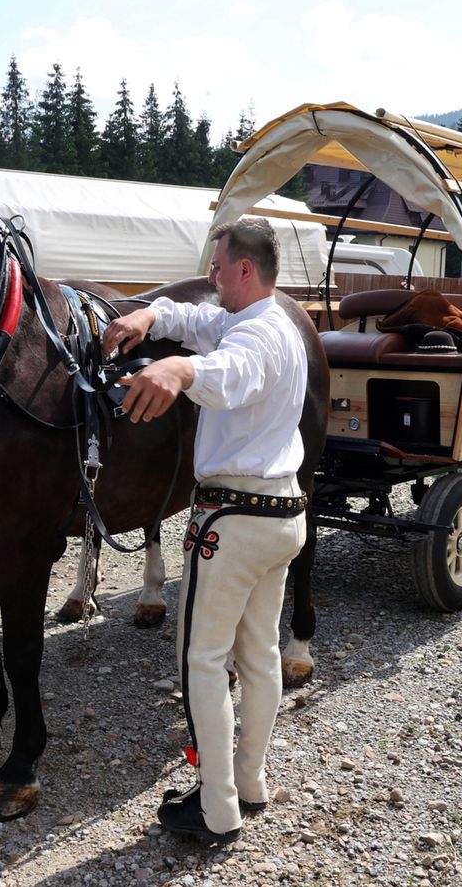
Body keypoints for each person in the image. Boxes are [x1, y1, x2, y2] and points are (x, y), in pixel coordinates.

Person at [101, 217, 308, 844]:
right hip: (281, 515)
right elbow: (196, 321)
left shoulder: (257, 340)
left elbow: (231, 373)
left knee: (203, 662)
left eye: (218, 269)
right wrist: (147, 317)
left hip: (235, 520)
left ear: (244, 270)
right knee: (261, 655)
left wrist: (179, 373)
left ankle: (216, 810)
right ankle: (250, 782)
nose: (212, 278)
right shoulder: (263, 320)